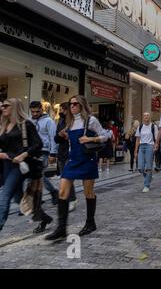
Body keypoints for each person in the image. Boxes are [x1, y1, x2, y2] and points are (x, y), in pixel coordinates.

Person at [45, 95, 110, 240]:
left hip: (88, 159)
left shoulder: (90, 120)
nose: (72, 106)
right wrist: (63, 136)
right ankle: (61, 229)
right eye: (71, 104)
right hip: (72, 160)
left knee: (88, 192)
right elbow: (63, 139)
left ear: (82, 105)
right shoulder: (70, 121)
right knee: (62, 192)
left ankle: (90, 223)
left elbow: (105, 136)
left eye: (75, 104)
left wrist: (91, 139)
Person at [0, 98, 52, 233]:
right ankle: (43, 217)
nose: (3, 108)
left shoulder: (26, 124)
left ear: (15, 107)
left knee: (4, 196)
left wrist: (23, 155)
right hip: (6, 165)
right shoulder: (4, 124)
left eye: (6, 106)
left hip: (21, 166)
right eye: (2, 106)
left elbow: (38, 144)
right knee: (18, 198)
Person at [29, 101, 59, 205]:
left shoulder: (49, 121)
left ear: (42, 109)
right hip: (31, 152)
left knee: (40, 175)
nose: (35, 114)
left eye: (37, 111)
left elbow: (53, 137)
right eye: (33, 112)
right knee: (32, 176)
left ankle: (51, 192)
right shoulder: (29, 121)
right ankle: (41, 196)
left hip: (44, 151)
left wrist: (53, 153)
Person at [54, 102, 77, 212]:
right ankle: (66, 198)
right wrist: (60, 134)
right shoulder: (61, 121)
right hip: (62, 152)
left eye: (63, 109)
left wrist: (69, 135)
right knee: (64, 177)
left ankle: (71, 199)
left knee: (67, 177)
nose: (61, 112)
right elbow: (56, 139)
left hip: (72, 153)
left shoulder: (75, 121)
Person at [134, 113, 157, 193]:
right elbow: (137, 140)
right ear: (143, 117)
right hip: (141, 147)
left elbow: (156, 139)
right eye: (144, 115)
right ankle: (149, 177)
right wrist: (135, 151)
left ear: (150, 117)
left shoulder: (153, 126)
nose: (146, 117)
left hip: (150, 146)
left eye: (147, 115)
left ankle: (146, 185)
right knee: (140, 167)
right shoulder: (140, 127)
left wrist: (155, 146)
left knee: (149, 167)